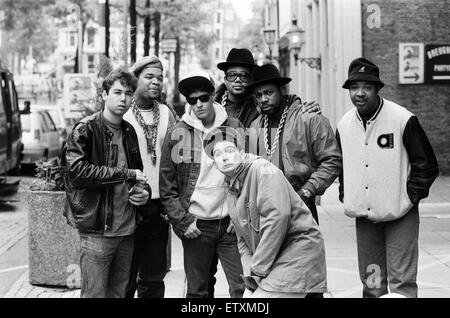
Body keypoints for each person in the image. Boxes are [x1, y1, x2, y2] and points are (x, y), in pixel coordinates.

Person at [337, 57, 439, 298]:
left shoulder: (402, 119)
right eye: (354, 88)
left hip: (400, 216)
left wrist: (410, 196)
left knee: (402, 283)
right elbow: (342, 164)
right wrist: (346, 193)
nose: (359, 94)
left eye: (366, 87)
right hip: (365, 219)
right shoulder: (344, 124)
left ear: (378, 89)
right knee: (372, 283)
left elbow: (427, 164)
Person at [203, 126, 327, 298]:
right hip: (273, 260)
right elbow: (243, 242)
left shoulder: (262, 170)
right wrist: (251, 281)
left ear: (241, 151)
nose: (224, 157)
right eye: (217, 155)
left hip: (296, 253)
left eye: (229, 150)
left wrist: (258, 271)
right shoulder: (232, 190)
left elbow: (277, 219)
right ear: (215, 165)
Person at [62, 68, 151, 298]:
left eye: (128, 93)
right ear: (104, 94)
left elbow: (138, 174)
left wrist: (143, 192)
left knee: (120, 294)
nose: (123, 99)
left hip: (127, 230)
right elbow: (77, 172)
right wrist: (126, 174)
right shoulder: (86, 129)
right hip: (97, 231)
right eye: (117, 92)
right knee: (94, 295)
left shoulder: (130, 131)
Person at [159, 70, 245, 298]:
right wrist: (182, 221)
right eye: (192, 100)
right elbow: (167, 187)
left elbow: (250, 177)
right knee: (198, 292)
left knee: (243, 288)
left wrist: (240, 216)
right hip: (197, 225)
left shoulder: (235, 127)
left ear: (212, 96)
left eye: (203, 98)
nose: (198, 104)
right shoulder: (177, 132)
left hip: (230, 224)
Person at [247, 63, 342, 225]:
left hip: (302, 207)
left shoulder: (310, 118)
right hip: (267, 212)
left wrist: (307, 190)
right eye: (258, 95)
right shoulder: (256, 126)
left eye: (269, 92)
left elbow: (332, 160)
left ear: (282, 91)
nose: (263, 99)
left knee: (304, 250)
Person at [124, 55, 177, 298]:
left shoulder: (167, 113)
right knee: (125, 275)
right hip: (128, 205)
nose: (156, 82)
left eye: (160, 77)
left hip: (158, 205)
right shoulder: (122, 113)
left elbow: (180, 159)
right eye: (149, 77)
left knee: (154, 275)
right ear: (135, 80)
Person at [215, 48, 321, 128]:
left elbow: (283, 103)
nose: (238, 79)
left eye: (244, 75)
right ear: (225, 79)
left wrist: (299, 107)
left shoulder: (260, 102)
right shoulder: (213, 104)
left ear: (251, 79)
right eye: (232, 75)